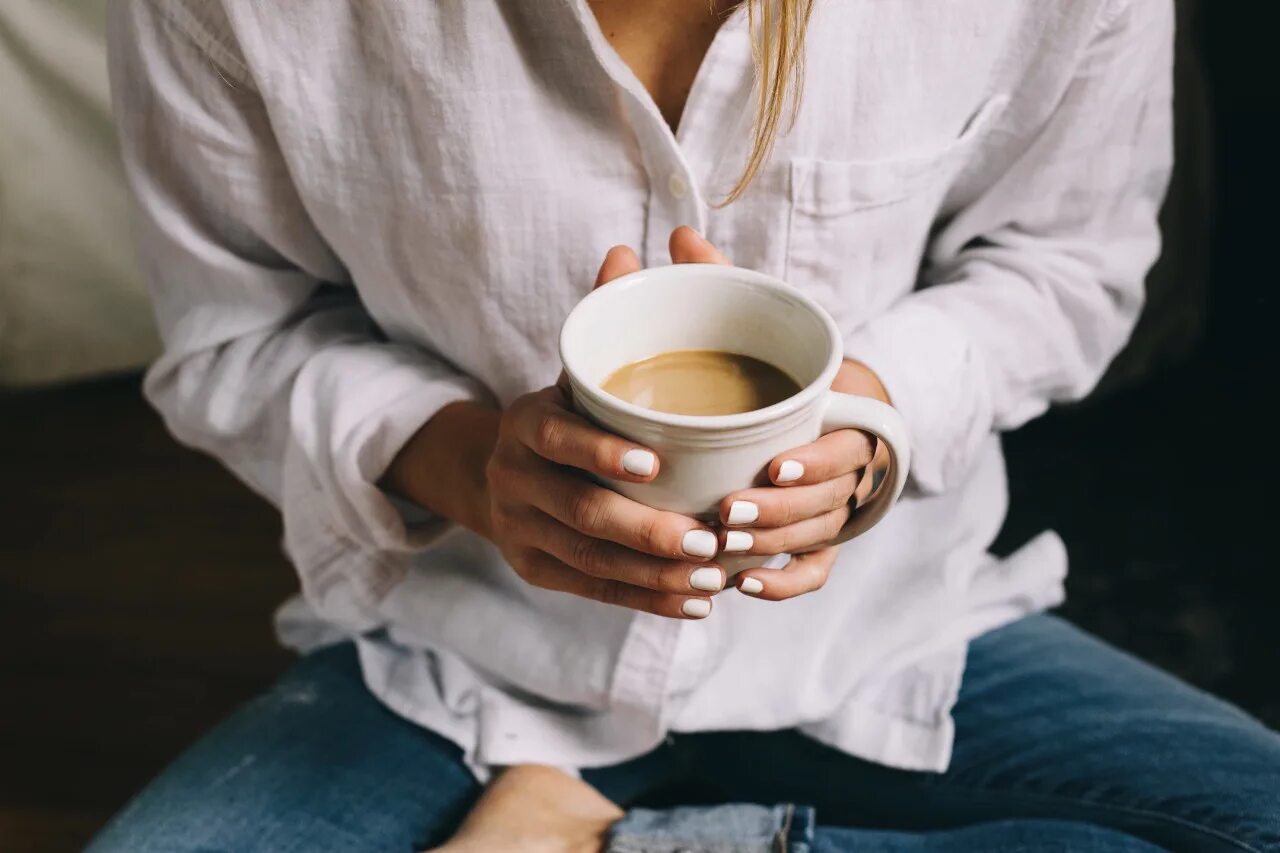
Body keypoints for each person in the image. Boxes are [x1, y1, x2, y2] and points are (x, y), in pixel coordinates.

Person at [92, 1, 1280, 851]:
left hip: (881, 636)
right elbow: (233, 337)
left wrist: (868, 421)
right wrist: (472, 470)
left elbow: (1066, 265)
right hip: (465, 660)